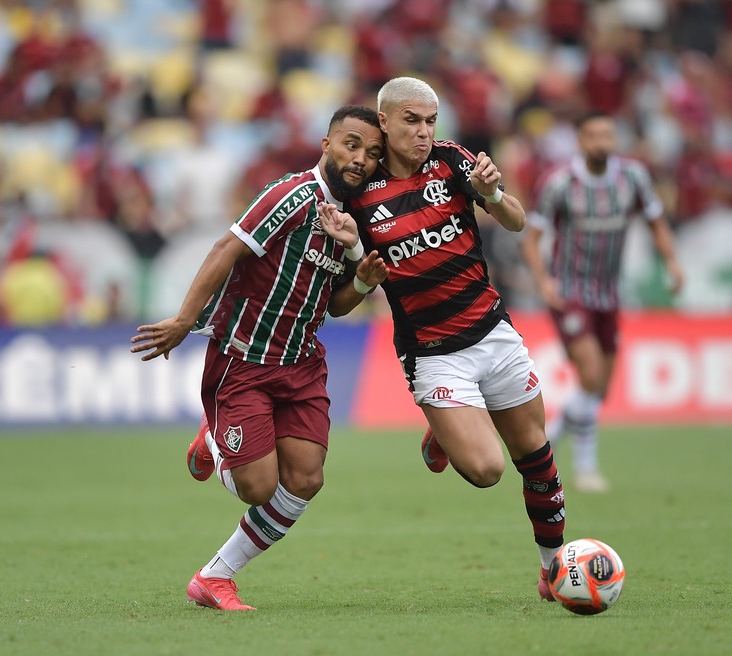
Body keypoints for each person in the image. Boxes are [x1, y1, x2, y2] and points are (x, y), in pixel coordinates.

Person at [130, 105, 387, 611]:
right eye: (352, 145)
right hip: (245, 358)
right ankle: (213, 440)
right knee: (258, 487)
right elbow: (226, 249)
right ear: (327, 145)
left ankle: (214, 577)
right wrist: (184, 319)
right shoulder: (290, 195)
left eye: (373, 153)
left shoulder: (354, 221)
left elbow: (335, 305)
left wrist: (361, 280)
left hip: (303, 365)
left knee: (306, 479)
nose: (361, 159)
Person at [345, 77, 566, 601]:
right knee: (487, 470)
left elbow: (516, 221)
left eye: (430, 121)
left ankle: (554, 568)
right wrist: (360, 275)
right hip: (433, 353)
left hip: (493, 332)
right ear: (384, 122)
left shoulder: (451, 161)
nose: (424, 132)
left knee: (536, 456)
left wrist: (492, 193)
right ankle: (448, 425)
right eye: (411, 121)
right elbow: (339, 296)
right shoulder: (357, 192)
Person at [521, 111, 684, 493]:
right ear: (581, 141)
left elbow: (656, 221)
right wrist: (543, 281)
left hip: (610, 293)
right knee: (590, 375)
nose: (601, 142)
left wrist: (672, 261)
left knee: (599, 391)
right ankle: (586, 468)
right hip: (570, 292)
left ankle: (549, 439)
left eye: (607, 135)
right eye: (593, 135)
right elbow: (532, 238)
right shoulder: (560, 183)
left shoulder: (633, 178)